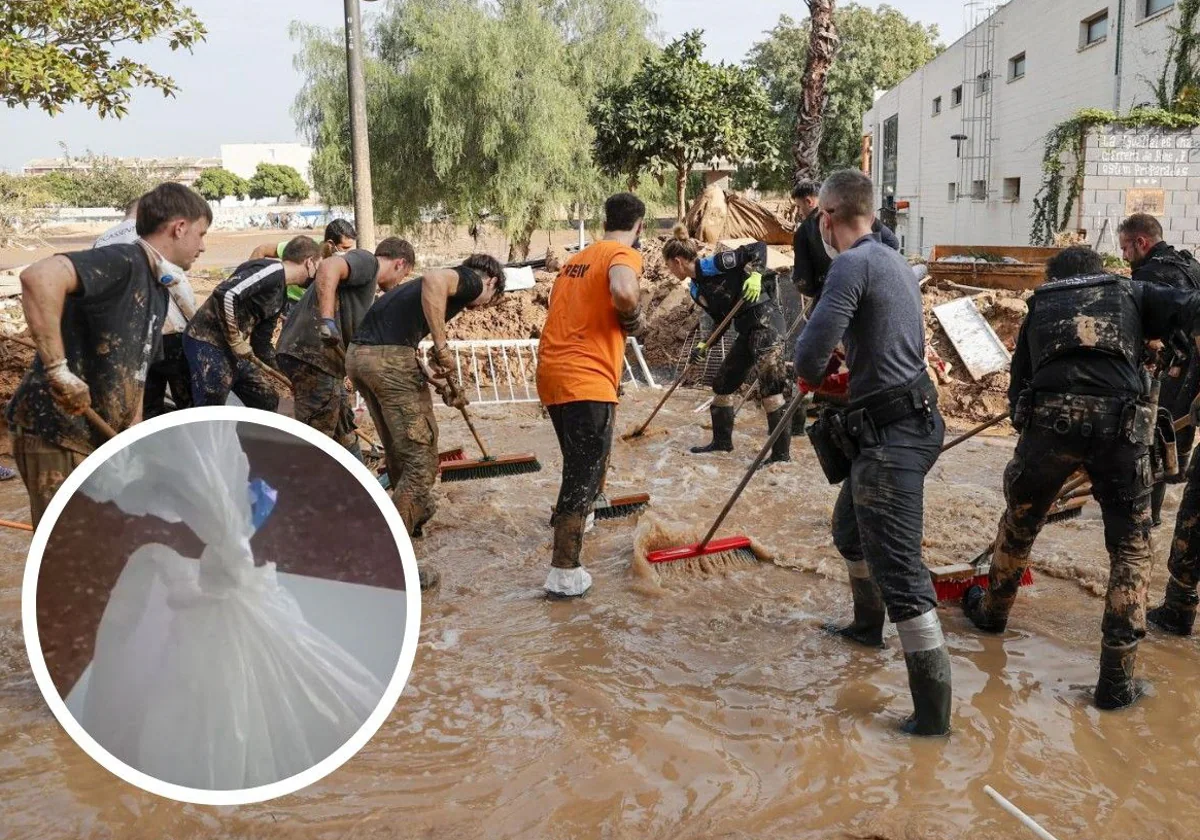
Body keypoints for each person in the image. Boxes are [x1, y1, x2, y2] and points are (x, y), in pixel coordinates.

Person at [963, 246, 1200, 710]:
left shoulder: (1041, 304)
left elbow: (1018, 395)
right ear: (1100, 272)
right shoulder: (1132, 291)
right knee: (1131, 545)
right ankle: (1116, 680)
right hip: (1120, 427)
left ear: (1056, 278)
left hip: (1049, 424)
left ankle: (992, 615)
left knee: (1020, 521)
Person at [793, 169, 948, 736]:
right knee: (850, 533)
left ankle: (932, 722)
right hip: (910, 420)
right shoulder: (893, 258)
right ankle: (865, 626)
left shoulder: (851, 264)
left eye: (821, 223)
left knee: (902, 573)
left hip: (892, 436)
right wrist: (847, 360)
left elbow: (808, 358)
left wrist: (817, 367)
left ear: (826, 218)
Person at [8, 183, 211, 525]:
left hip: (95, 437)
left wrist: (133, 440)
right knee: (66, 542)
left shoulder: (158, 290)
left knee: (106, 532)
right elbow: (39, 277)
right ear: (180, 228)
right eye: (201, 234)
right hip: (57, 430)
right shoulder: (124, 261)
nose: (203, 246)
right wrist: (58, 369)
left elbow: (136, 376)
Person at [346, 255, 505, 590]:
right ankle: (391, 561)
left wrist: (445, 387)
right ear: (490, 282)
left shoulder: (412, 296)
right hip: (388, 362)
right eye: (489, 300)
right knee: (421, 465)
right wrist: (443, 347)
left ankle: (408, 518)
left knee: (400, 458)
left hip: (361, 359)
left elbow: (408, 357)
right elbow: (434, 277)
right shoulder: (472, 280)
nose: (478, 308)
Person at [536, 192, 647, 599]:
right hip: (587, 378)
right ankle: (564, 572)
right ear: (640, 226)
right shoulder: (623, 253)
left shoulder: (575, 261)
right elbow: (624, 291)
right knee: (580, 476)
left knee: (580, 464)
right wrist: (633, 316)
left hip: (554, 375)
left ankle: (581, 522)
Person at [663, 227, 792, 465]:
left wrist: (755, 275)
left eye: (669, 266)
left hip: (767, 324)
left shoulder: (714, 264)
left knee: (771, 391)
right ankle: (722, 443)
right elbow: (720, 321)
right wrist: (704, 344)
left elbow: (758, 248)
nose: (670, 272)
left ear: (678, 261)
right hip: (746, 330)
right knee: (722, 384)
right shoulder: (695, 289)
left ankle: (781, 457)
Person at [275, 238, 412, 457]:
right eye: (404, 276)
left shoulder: (365, 293)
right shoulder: (368, 262)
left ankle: (360, 482)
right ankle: (302, 486)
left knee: (342, 426)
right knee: (317, 438)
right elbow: (329, 266)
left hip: (322, 363)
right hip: (313, 356)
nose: (398, 283)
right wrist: (327, 320)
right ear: (400, 264)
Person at [1118, 213, 1200, 527]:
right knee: (1173, 445)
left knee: (1151, 441)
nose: (1125, 256)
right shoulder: (1189, 264)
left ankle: (1145, 519)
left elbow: (1137, 333)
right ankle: (1177, 512)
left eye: (1126, 248)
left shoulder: (1147, 276)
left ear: (1141, 242)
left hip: (1173, 372)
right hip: (1193, 371)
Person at [183, 236, 323, 410]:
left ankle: (251, 436)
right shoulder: (270, 271)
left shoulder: (280, 297)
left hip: (234, 352)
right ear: (310, 262)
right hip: (206, 342)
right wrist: (235, 338)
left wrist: (288, 377)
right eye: (319, 265)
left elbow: (262, 346)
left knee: (266, 399)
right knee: (212, 404)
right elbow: (225, 294)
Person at [93, 195, 199, 418]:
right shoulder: (151, 238)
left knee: (147, 400)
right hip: (170, 332)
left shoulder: (101, 241)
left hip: (129, 337)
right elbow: (177, 286)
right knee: (188, 400)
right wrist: (197, 324)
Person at [792, 179, 900, 302]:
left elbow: (804, 282)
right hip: (871, 296)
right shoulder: (856, 213)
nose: (799, 212)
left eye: (799, 207)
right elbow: (892, 243)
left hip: (832, 300)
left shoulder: (803, 232)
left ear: (808, 201)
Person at [253, 219, 359, 320]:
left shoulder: (344, 262)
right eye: (345, 248)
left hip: (322, 307)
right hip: (294, 305)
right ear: (330, 244)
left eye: (351, 248)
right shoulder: (304, 247)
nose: (348, 253)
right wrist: (250, 283)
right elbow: (262, 249)